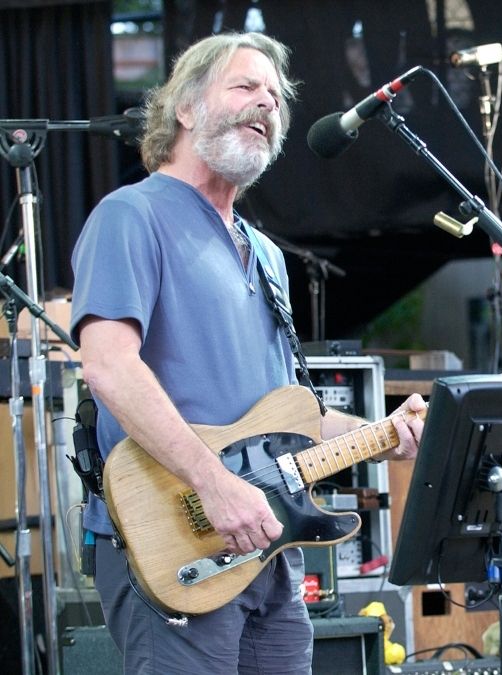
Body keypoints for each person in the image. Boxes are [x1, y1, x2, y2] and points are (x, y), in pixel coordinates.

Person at [69, 32, 426, 674]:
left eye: (275, 97)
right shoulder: (131, 216)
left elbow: (289, 420)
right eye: (245, 86)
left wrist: (381, 432)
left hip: (266, 547)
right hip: (174, 537)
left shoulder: (265, 255)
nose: (266, 104)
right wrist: (217, 486)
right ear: (184, 107)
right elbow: (108, 367)